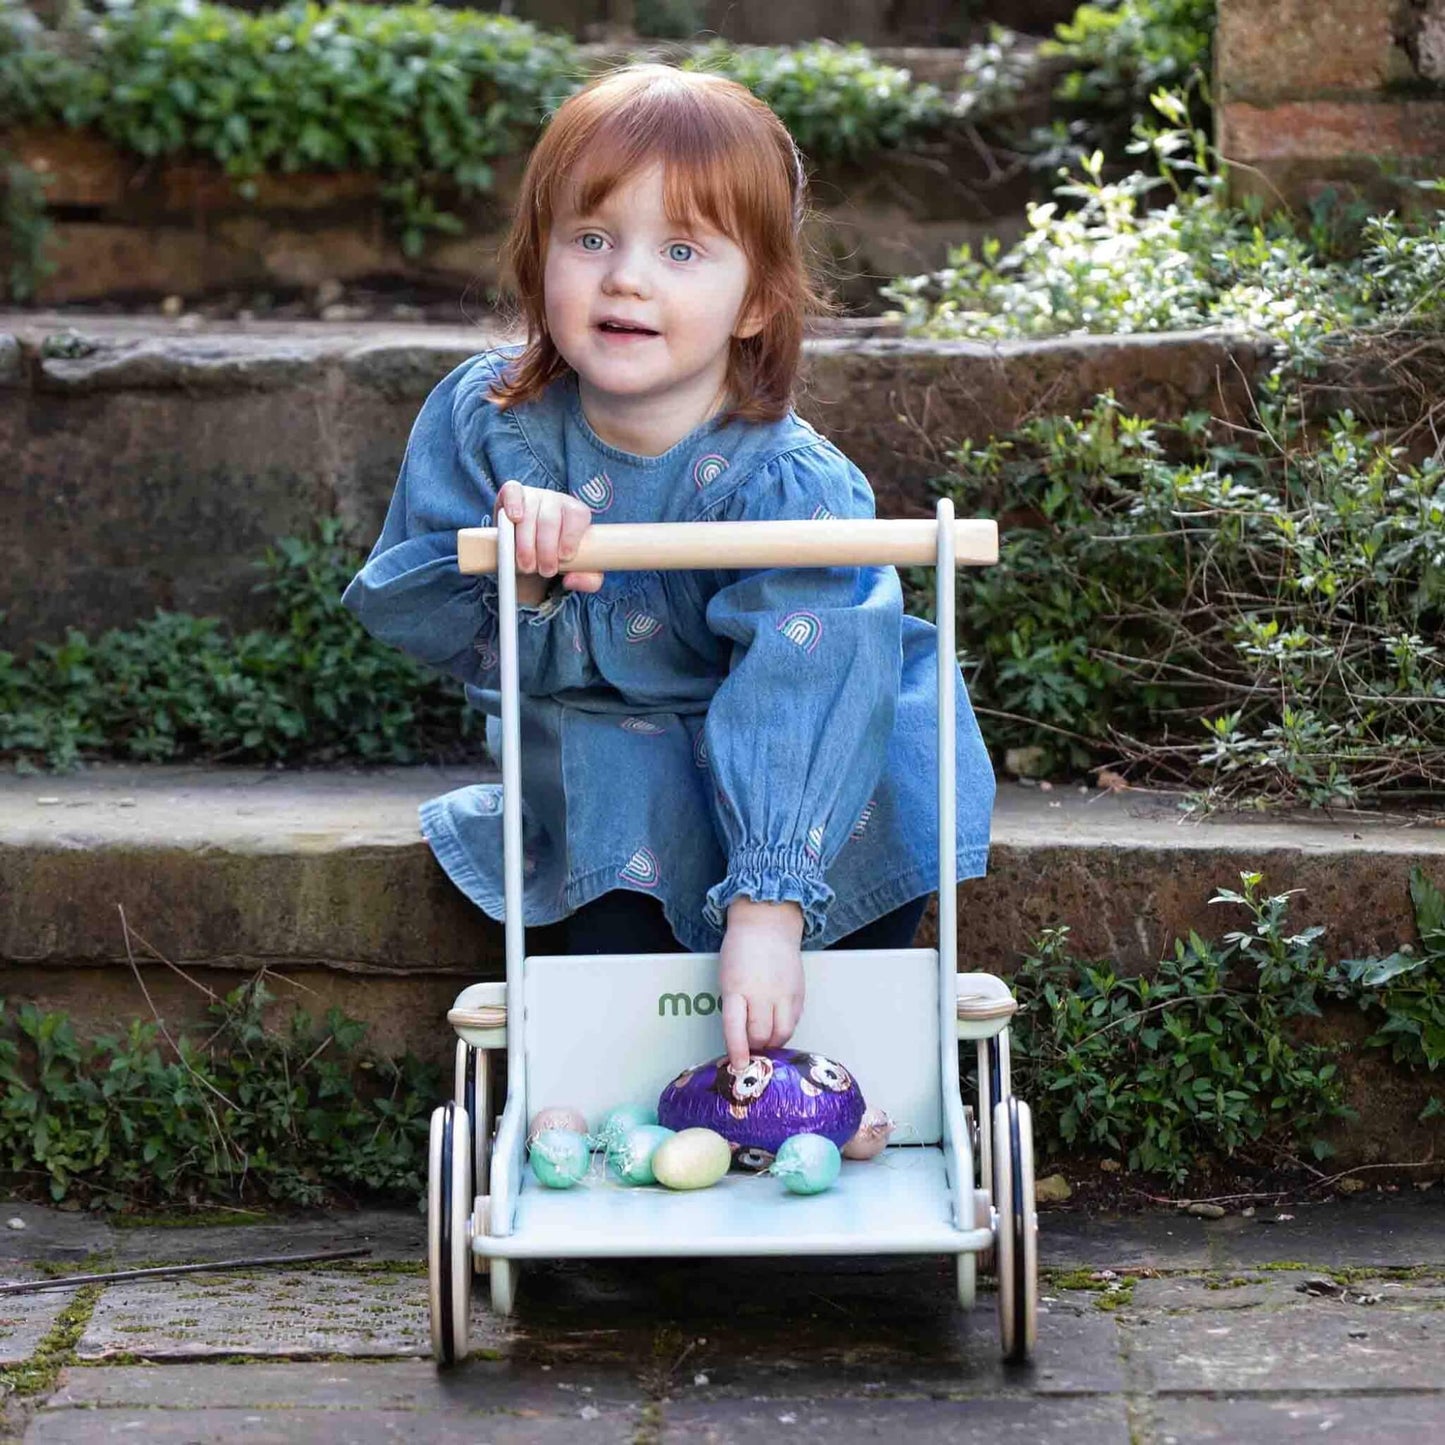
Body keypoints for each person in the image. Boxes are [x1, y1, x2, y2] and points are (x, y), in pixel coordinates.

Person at [342, 63, 996, 1071]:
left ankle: (836, 1070)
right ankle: (623, 1103)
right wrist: (521, 569)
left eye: (682, 248)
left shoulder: (787, 484)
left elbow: (809, 663)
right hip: (619, 741)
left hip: (805, 760)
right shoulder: (495, 426)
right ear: (537, 256)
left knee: (895, 747)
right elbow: (425, 610)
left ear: (753, 302)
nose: (626, 278)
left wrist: (770, 903)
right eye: (591, 238)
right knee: (621, 857)